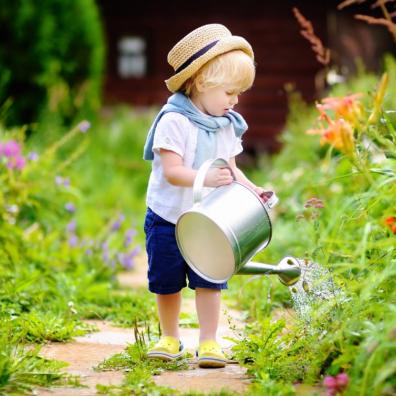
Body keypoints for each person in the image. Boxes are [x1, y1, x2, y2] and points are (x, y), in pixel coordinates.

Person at [143, 23, 265, 368]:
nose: (235, 100)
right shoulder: (174, 121)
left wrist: (252, 190)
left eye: (239, 93)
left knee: (209, 279)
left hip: (208, 222)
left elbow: (232, 167)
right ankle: (170, 336)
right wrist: (206, 177)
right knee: (167, 281)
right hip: (169, 216)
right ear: (200, 83)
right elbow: (172, 171)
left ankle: (209, 341)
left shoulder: (226, 125)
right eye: (230, 92)